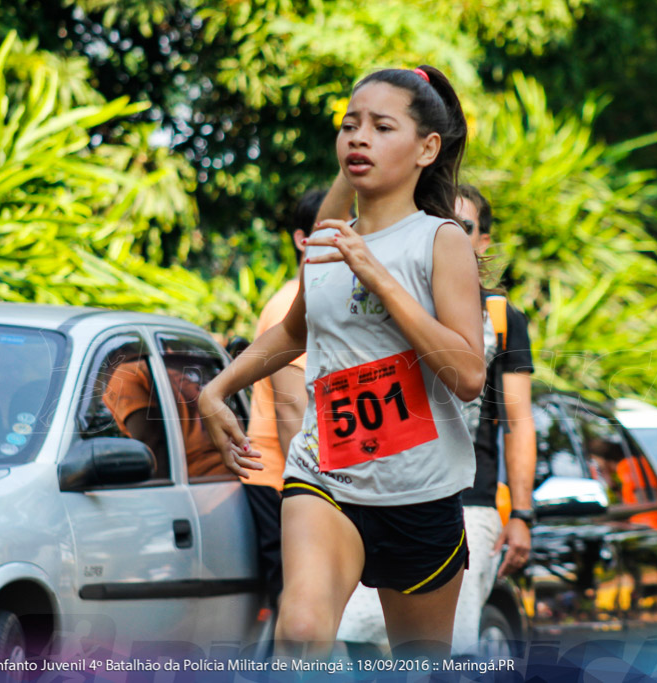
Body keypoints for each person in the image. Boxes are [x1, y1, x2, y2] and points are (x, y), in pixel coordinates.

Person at [199, 65, 483, 660]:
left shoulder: (441, 240)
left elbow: (467, 374)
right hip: (325, 477)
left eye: (382, 127)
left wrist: (377, 275)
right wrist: (215, 391)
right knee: (301, 631)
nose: (359, 137)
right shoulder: (327, 246)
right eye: (350, 125)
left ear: (427, 148)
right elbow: (290, 334)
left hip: (420, 493)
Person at [335, 183, 536, 656]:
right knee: (354, 631)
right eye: (439, 221)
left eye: (464, 226)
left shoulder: (502, 316)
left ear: (482, 241)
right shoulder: (385, 299)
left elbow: (519, 421)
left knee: (445, 648)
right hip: (381, 493)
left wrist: (522, 513)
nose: (450, 233)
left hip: (468, 500)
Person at [242, 189, 327, 607]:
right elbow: (292, 413)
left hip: (296, 481)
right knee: (299, 607)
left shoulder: (323, 303)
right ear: (301, 240)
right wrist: (314, 494)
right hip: (281, 481)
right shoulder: (291, 308)